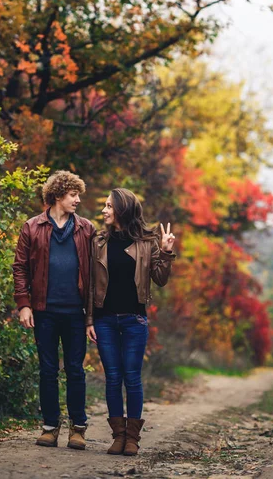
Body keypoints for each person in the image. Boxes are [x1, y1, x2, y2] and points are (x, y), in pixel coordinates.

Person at [86, 188, 175, 456]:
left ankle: (133, 438)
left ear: (122, 209)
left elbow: (160, 278)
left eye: (109, 206)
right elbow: (91, 285)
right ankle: (118, 436)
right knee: (113, 378)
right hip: (104, 320)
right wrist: (89, 319)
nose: (104, 211)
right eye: (104, 206)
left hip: (135, 320)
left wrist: (167, 252)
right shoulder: (99, 241)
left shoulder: (148, 242)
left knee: (132, 378)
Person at [13, 170, 96, 449]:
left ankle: (78, 428)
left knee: (75, 370)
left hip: (76, 312)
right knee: (47, 370)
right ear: (58, 195)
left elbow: (96, 273)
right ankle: (50, 427)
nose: (78, 200)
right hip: (44, 311)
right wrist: (24, 304)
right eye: (74, 195)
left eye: (78, 195)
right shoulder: (32, 227)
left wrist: (92, 316)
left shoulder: (86, 228)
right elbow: (20, 268)